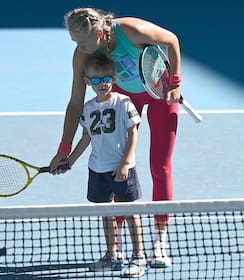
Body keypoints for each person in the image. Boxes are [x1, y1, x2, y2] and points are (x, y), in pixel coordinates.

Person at [51, 7, 182, 268]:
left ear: (99, 33)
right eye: (75, 41)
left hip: (159, 92)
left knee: (160, 165)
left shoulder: (132, 31)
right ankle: (117, 248)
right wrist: (64, 148)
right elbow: (75, 104)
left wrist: (176, 83)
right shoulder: (81, 56)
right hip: (125, 96)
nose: (79, 47)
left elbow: (172, 40)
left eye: (82, 41)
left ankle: (159, 241)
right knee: (114, 166)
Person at [65, 52, 146, 277]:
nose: (102, 84)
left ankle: (138, 256)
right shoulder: (88, 108)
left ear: (114, 78)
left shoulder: (123, 102)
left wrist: (126, 162)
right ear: (87, 81)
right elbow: (85, 138)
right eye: (96, 80)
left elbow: (133, 134)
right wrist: (69, 161)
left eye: (106, 78)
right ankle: (113, 254)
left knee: (130, 212)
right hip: (97, 169)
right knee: (106, 212)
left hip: (122, 168)